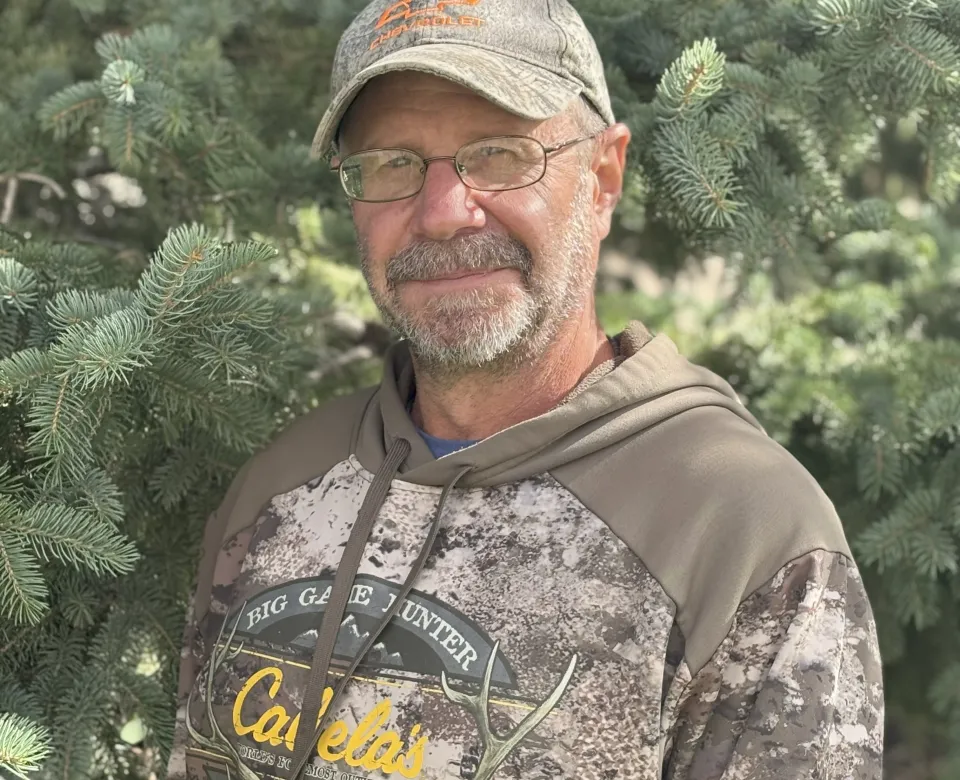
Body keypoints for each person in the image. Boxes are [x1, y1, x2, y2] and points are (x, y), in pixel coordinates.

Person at [165, 1, 884, 778]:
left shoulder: (742, 529)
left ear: (604, 178)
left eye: (500, 154)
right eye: (394, 164)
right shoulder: (281, 487)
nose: (442, 214)